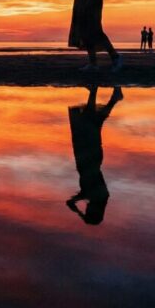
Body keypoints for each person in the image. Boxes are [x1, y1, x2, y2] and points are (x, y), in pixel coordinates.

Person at [66, 85, 123, 225]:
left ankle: (113, 98)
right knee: (90, 122)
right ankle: (96, 91)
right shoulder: (98, 195)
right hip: (89, 157)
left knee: (94, 123)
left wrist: (80, 214)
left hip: (87, 158)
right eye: (88, 211)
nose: (86, 208)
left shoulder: (96, 196)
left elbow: (78, 197)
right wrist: (79, 212)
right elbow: (75, 199)